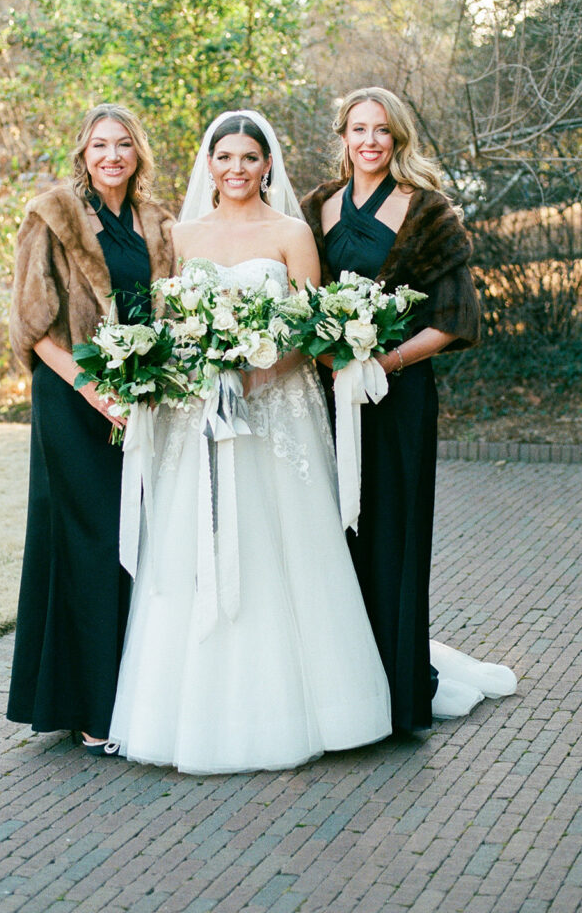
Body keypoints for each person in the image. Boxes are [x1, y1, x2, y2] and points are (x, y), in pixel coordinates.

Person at [108, 110, 392, 773]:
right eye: (224, 156)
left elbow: (309, 323)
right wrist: (205, 365)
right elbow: (167, 321)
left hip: (275, 411)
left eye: (248, 158)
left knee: (281, 543)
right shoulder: (179, 235)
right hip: (196, 411)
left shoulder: (291, 232)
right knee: (191, 543)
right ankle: (185, 714)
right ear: (207, 163)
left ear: (268, 165)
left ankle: (317, 710)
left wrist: (261, 366)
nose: (236, 169)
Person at [302, 86, 515, 731]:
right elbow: (298, 300)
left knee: (395, 529)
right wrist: (327, 357)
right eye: (358, 129)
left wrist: (381, 363)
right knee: (334, 537)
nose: (370, 141)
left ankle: (398, 691)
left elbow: (454, 319)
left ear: (398, 139)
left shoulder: (430, 213)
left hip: (398, 396)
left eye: (382, 130)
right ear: (342, 136)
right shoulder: (314, 209)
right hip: (326, 399)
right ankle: (344, 682)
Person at [7, 103, 174, 753]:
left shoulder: (158, 222)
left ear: (138, 153)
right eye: (100, 145)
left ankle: (130, 693)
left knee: (138, 540)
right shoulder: (52, 214)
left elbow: (171, 307)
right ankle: (88, 707)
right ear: (83, 152)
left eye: (123, 145)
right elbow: (32, 323)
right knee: (89, 539)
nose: (112, 156)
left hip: (140, 397)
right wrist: (94, 390)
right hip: (73, 398)